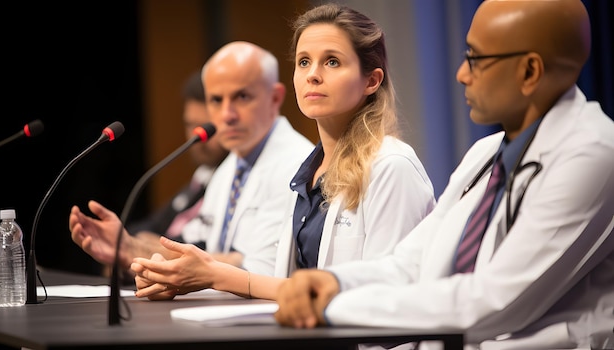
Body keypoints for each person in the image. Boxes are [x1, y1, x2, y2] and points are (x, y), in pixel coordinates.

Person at [274, 1, 614, 349]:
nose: (462, 74)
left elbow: (493, 302)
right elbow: (412, 261)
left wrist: (336, 307)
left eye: (476, 59)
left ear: (529, 72)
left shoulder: (593, 153)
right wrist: (333, 284)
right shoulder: (487, 153)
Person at [129, 4, 435, 302]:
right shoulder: (306, 174)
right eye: (304, 62)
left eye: (331, 62)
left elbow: (386, 293)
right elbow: (289, 285)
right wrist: (181, 277)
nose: (312, 75)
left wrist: (214, 275)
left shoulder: (392, 167)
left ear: (371, 80)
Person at [70, 41, 314, 277]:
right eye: (216, 100)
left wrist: (134, 250)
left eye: (242, 97)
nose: (226, 115)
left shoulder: (297, 166)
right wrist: (129, 249)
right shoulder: (229, 168)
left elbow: (260, 269)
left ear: (275, 98)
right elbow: (197, 250)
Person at [70, 70, 228, 273]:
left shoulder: (232, 181)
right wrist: (127, 242)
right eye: (190, 124)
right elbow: (152, 225)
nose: (197, 136)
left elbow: (207, 248)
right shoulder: (202, 176)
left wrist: (142, 247)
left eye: (206, 127)